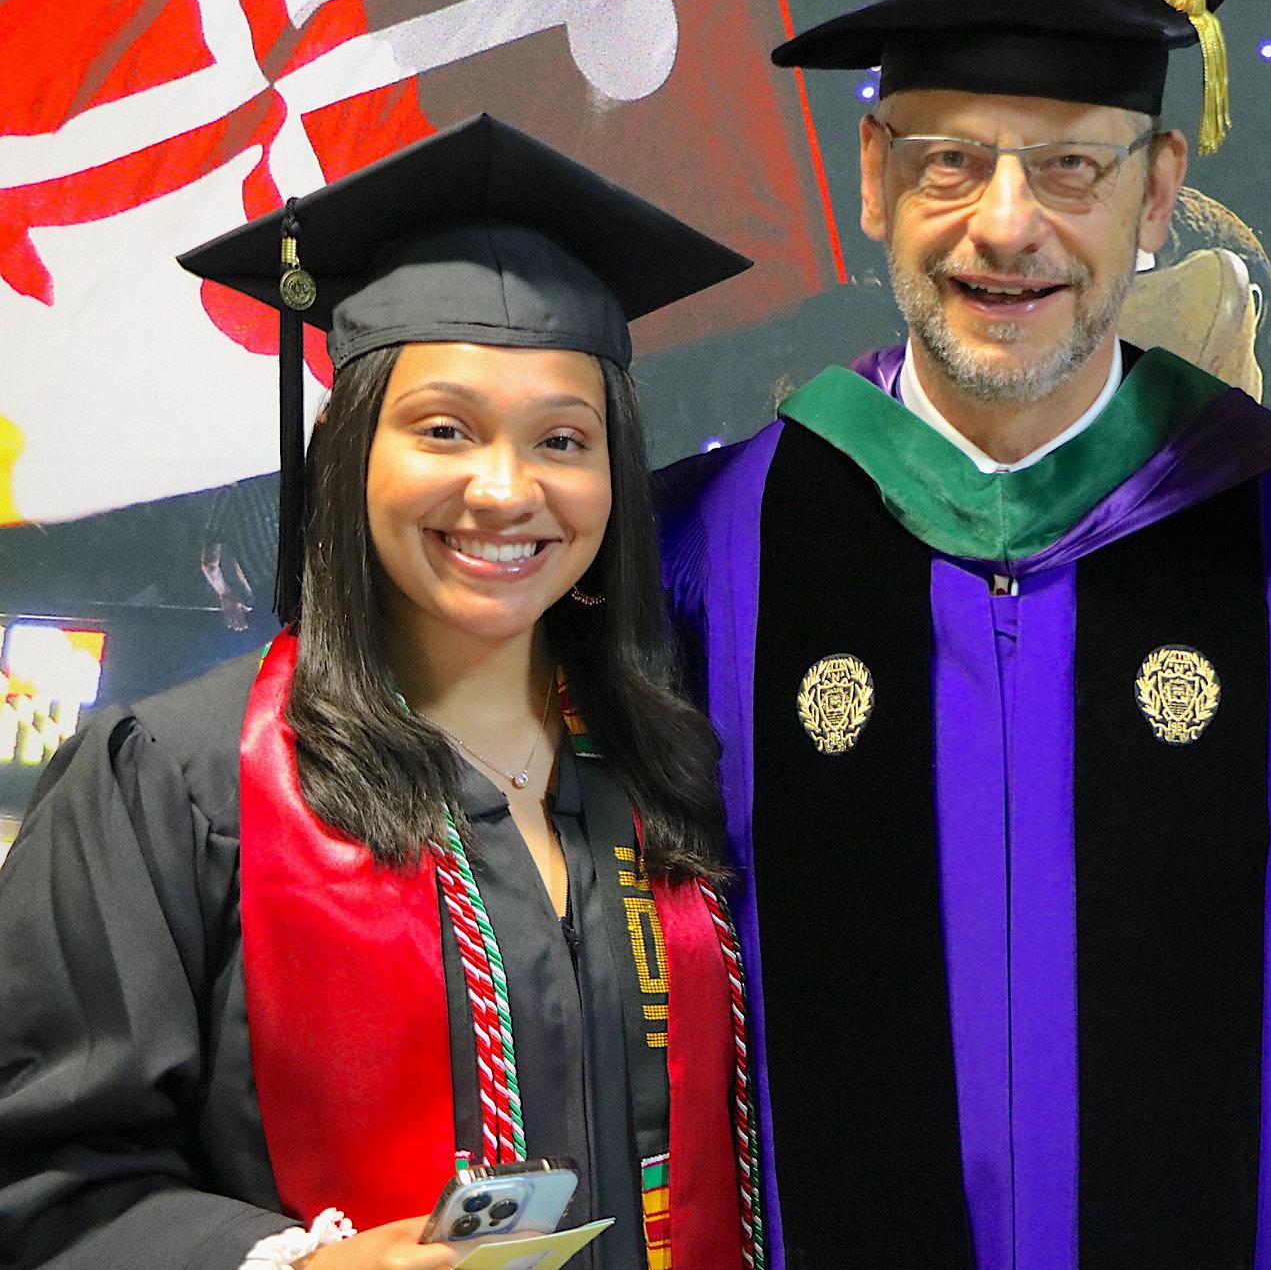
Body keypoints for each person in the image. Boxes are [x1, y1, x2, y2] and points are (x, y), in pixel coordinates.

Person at [654, 0, 1271, 1268]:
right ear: (875, 179)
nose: (1007, 224)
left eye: (1071, 165)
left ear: (1159, 187)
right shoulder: (718, 549)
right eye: (949, 159)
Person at [0, 115, 759, 1270]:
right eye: (444, 429)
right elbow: (42, 1183)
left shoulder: (674, 764)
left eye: (564, 440)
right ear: (353, 451)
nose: (506, 491)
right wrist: (295, 1266)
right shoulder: (179, 780)